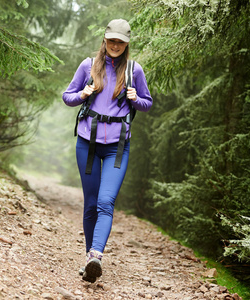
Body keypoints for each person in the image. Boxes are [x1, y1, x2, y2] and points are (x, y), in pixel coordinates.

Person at [62, 19, 152, 283]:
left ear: (126, 45)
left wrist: (137, 98)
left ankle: (96, 256)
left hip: (118, 146)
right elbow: (67, 96)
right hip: (86, 144)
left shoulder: (135, 70)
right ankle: (89, 257)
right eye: (111, 40)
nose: (115, 45)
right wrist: (82, 94)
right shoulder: (87, 66)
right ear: (105, 40)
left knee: (105, 202)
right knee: (90, 204)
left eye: (120, 42)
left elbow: (148, 103)